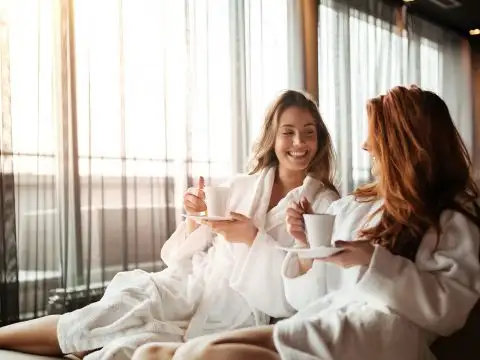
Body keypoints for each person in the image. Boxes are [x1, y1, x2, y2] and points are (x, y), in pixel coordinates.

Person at [134, 85, 480, 360]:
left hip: (378, 335)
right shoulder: (354, 207)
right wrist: (303, 248)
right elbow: (307, 298)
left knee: (205, 354)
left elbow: (447, 310)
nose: (365, 145)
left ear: (405, 144)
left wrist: (373, 261)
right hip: (326, 321)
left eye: (376, 135)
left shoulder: (448, 218)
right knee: (155, 353)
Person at [0, 90, 339, 360]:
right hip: (191, 283)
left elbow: (301, 292)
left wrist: (252, 238)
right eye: (288, 133)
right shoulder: (240, 185)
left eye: (308, 133)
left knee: (126, 349)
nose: (299, 143)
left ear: (319, 139)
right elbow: (181, 255)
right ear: (272, 138)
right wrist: (195, 216)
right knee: (116, 308)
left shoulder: (322, 203)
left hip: (239, 309)